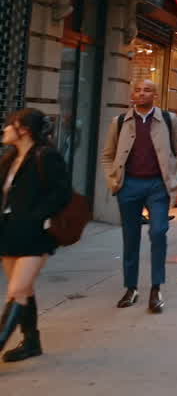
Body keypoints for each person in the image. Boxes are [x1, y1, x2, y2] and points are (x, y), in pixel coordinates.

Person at [100, 80, 177, 314]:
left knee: (158, 232)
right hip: (129, 185)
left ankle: (156, 288)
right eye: (137, 90)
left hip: (158, 185)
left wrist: (171, 172)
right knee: (130, 237)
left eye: (147, 90)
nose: (141, 93)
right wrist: (113, 179)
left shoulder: (169, 120)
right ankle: (131, 287)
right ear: (132, 94)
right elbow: (108, 155)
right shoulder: (119, 122)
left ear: (155, 95)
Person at [0, 109, 71, 362]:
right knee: (24, 289)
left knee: (17, 290)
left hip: (35, 235)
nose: (5, 130)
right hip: (9, 232)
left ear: (24, 130)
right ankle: (31, 341)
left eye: (10, 125)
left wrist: (36, 217)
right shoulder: (9, 159)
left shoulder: (46, 156)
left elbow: (62, 193)